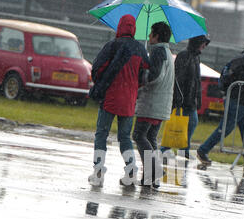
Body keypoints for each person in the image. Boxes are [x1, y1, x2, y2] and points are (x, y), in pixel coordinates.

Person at [88, 14, 149, 187]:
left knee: (102, 134)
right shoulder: (140, 49)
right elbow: (145, 75)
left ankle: (98, 172)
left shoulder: (112, 46)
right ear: (134, 29)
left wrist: (101, 83)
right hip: (129, 101)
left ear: (120, 27)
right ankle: (131, 171)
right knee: (125, 137)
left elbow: (97, 68)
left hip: (111, 98)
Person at [197, 37, 244, 173]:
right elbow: (232, 77)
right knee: (225, 129)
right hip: (236, 102)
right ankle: (203, 150)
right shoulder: (242, 60)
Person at [133, 22, 174, 187]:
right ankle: (150, 178)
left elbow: (155, 76)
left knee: (138, 135)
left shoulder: (158, 51)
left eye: (151, 33)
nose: (149, 36)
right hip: (162, 103)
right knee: (150, 137)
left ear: (157, 36)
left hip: (152, 102)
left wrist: (141, 74)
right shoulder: (168, 52)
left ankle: (155, 169)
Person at [161, 34, 210, 160]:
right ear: (197, 42)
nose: (205, 46)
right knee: (179, 125)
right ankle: (166, 149)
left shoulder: (195, 57)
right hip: (183, 99)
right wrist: (179, 98)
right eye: (203, 43)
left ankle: (182, 149)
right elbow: (178, 78)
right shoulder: (184, 55)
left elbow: (196, 80)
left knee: (188, 123)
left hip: (190, 99)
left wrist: (197, 97)